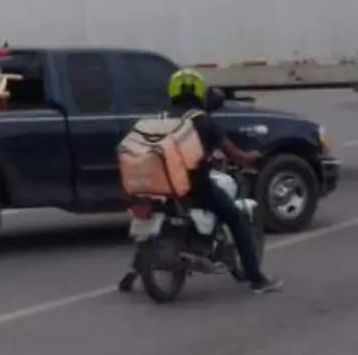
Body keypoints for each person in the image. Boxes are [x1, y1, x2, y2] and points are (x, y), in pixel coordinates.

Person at [120, 70, 282, 295]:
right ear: (199, 92)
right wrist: (251, 156)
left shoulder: (162, 118)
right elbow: (234, 154)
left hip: (159, 187)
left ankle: (130, 276)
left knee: (149, 218)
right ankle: (256, 278)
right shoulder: (204, 121)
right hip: (195, 189)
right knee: (236, 218)